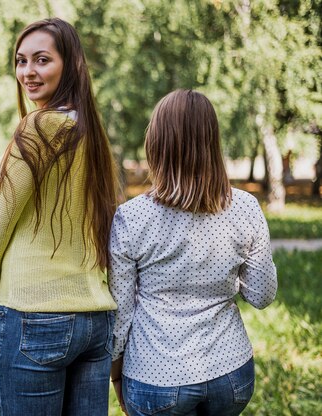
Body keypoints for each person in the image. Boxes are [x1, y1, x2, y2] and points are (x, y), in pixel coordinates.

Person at [0, 18, 120, 416]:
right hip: (94, 318)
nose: (28, 72)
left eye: (42, 60)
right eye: (21, 61)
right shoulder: (91, 132)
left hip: (33, 314)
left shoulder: (38, 128)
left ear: (70, 64)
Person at [109, 89, 278, 416]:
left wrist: (116, 376)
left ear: (156, 144)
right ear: (211, 143)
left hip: (155, 377)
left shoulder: (131, 217)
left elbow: (120, 317)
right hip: (231, 375)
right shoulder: (244, 207)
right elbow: (262, 295)